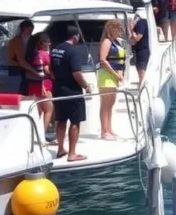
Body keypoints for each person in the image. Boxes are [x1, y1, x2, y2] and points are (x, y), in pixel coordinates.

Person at [51, 26, 93, 162]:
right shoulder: (73, 51)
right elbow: (77, 73)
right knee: (75, 121)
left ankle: (60, 149)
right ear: (75, 36)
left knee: (61, 120)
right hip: (71, 90)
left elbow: (51, 69)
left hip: (58, 88)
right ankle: (72, 153)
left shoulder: (56, 49)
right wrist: (86, 86)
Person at [96, 19, 127, 140]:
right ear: (112, 29)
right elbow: (103, 60)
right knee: (105, 103)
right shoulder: (107, 42)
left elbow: (120, 60)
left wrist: (120, 74)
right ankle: (104, 131)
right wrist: (115, 74)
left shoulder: (116, 42)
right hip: (107, 75)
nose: (120, 31)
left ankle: (109, 128)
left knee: (111, 103)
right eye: (118, 29)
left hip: (114, 76)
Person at [25, 32, 55, 140]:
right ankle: (41, 135)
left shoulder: (30, 54)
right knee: (49, 109)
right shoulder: (43, 55)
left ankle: (35, 134)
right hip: (42, 86)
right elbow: (46, 70)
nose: (49, 44)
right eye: (47, 42)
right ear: (41, 43)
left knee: (39, 111)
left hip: (32, 86)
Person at [7, 20, 37, 96]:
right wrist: (35, 72)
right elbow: (21, 61)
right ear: (23, 29)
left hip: (27, 68)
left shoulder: (32, 39)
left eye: (32, 30)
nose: (31, 32)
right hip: (16, 69)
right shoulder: (16, 41)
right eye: (29, 30)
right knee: (20, 93)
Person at [129, 8, 151, 85]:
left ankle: (142, 86)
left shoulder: (141, 22)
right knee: (139, 69)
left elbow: (138, 37)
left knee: (141, 69)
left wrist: (131, 29)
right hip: (139, 49)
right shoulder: (142, 22)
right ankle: (141, 85)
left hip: (142, 49)